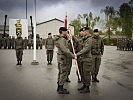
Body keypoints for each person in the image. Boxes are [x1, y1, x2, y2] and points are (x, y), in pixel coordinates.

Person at [53, 27, 75, 94]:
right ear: (62, 32)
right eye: (66, 31)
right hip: (63, 58)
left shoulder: (59, 39)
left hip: (60, 57)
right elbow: (65, 50)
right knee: (63, 73)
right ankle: (61, 89)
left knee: (61, 72)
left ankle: (59, 87)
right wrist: (73, 56)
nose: (67, 33)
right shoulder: (62, 40)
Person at [76, 27, 92, 93]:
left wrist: (77, 54)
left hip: (87, 59)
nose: (83, 32)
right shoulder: (84, 39)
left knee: (86, 74)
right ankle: (84, 85)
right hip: (83, 59)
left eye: (84, 31)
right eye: (82, 31)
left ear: (87, 31)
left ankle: (87, 87)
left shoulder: (89, 39)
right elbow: (79, 43)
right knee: (83, 73)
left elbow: (86, 49)